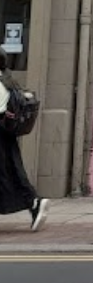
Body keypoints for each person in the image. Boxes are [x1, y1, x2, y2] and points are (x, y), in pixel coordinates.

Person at [0, 73, 48, 232]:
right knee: (11, 172)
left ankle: (34, 202)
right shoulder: (5, 79)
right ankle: (34, 202)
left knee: (10, 174)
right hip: (5, 133)